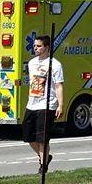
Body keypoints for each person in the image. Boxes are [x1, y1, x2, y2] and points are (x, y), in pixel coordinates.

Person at [23, 35, 63, 172]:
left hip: (47, 105)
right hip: (32, 103)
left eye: (38, 46)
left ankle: (43, 165)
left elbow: (58, 85)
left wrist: (60, 105)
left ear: (46, 47)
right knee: (28, 137)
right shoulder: (32, 63)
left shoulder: (55, 64)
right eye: (34, 46)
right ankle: (45, 156)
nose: (35, 48)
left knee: (42, 139)